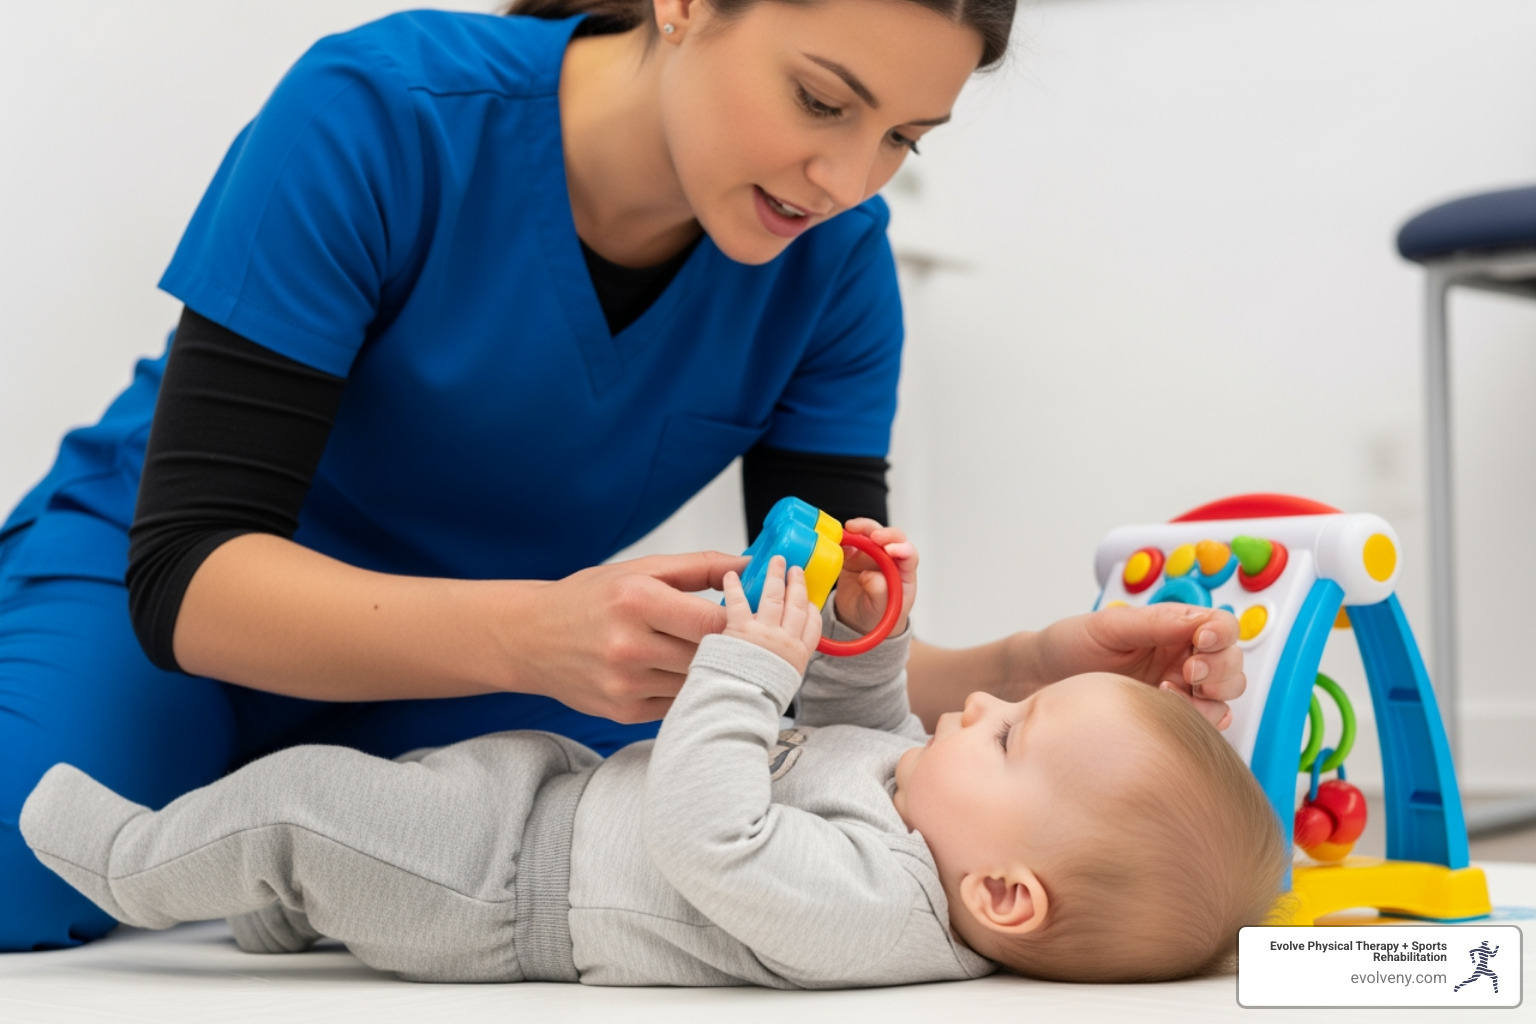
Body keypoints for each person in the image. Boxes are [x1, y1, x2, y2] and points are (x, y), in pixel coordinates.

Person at [0, 0, 1247, 951]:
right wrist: (538, 633)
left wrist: (1031, 671)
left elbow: (815, 658)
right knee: (21, 864)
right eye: (823, 102)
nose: (850, 183)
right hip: (166, 599)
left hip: (479, 664)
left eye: (904, 140)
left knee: (662, 826)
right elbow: (185, 579)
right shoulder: (381, 111)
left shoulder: (836, 278)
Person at [20, 530, 1286, 986]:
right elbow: (863, 719)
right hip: (542, 799)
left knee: (305, 811)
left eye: (1006, 734)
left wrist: (752, 668)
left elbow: (712, 836)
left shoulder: (879, 915)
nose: (977, 715)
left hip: (498, 890)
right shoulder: (929, 817)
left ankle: (126, 858)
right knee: (344, 835)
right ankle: (286, 913)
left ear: (1005, 894)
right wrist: (858, 635)